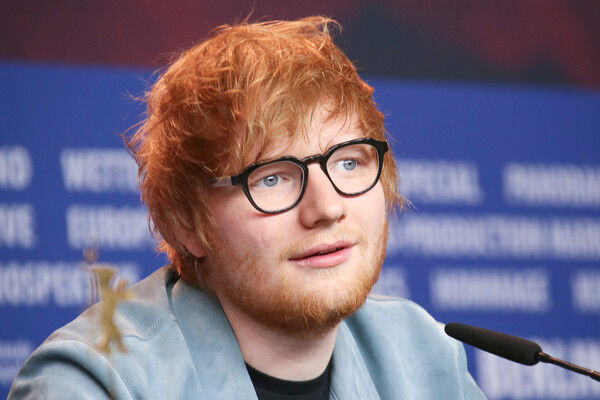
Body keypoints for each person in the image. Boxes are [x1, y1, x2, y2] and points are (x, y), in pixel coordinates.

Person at [9, 16, 486, 399]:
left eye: (348, 163)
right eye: (271, 178)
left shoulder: (424, 355)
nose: (326, 208)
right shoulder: (95, 383)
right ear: (186, 224)